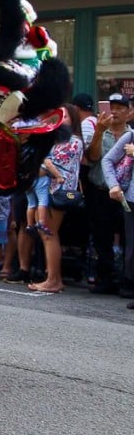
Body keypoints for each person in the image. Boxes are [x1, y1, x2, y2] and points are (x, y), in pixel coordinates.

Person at [28, 104, 83, 293]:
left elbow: (48, 166)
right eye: (58, 116)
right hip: (43, 191)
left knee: (48, 234)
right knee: (47, 234)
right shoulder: (53, 139)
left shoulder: (73, 141)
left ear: (73, 120)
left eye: (65, 116)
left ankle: (52, 280)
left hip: (57, 191)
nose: (61, 119)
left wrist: (40, 162)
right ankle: (55, 278)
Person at [84, 92, 130, 294]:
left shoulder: (132, 134)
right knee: (102, 237)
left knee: (129, 238)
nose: (116, 111)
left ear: (129, 111)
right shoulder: (101, 132)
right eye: (112, 107)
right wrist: (99, 132)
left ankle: (127, 280)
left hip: (127, 195)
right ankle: (105, 278)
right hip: (101, 191)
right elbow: (93, 158)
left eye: (121, 107)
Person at [101, 120, 134, 300]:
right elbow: (107, 160)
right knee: (131, 246)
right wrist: (113, 184)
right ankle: (130, 283)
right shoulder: (131, 136)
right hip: (131, 199)